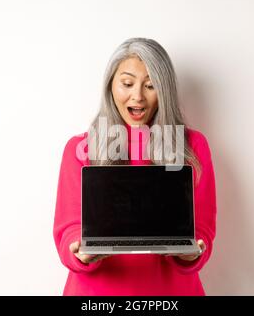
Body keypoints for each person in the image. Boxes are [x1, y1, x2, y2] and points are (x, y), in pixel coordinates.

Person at [53, 38, 217, 295]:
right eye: (127, 84)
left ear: (165, 91)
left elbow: (202, 230)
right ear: (111, 86)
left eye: (150, 85)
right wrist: (79, 251)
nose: (138, 96)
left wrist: (191, 253)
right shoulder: (81, 148)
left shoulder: (192, 146)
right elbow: (68, 228)